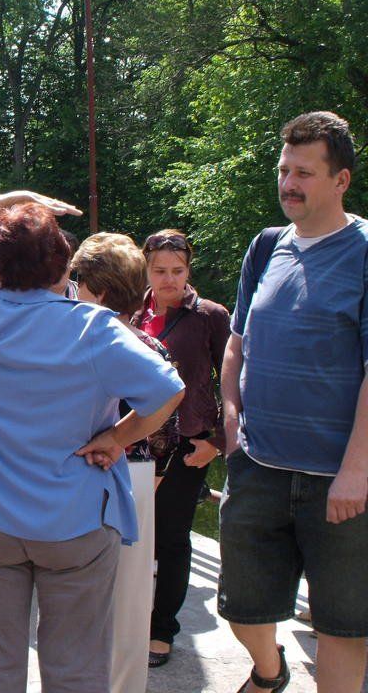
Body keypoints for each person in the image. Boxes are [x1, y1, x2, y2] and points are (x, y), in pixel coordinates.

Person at [0, 191, 185, 693]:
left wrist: (16, 199)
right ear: (63, 265)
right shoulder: (95, 328)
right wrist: (117, 437)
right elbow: (168, 390)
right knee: (76, 670)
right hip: (76, 522)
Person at [219, 111, 368, 693]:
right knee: (242, 608)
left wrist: (356, 471)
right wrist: (231, 419)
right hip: (258, 467)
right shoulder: (266, 247)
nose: (288, 183)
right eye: (284, 170)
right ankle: (270, 669)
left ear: (341, 180)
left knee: (342, 627)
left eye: (304, 172)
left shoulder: (363, 252)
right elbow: (236, 344)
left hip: (339, 482)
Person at [71, 232, 178, 693]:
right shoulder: (150, 344)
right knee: (130, 601)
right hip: (137, 476)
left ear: (98, 290)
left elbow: (169, 404)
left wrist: (115, 439)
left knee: (80, 601)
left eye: (78, 280)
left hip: (102, 472)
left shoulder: (86, 343)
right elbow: (168, 433)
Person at [133, 228, 230, 668]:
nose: (169, 279)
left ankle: (162, 629)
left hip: (188, 445)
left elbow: (235, 383)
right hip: (136, 442)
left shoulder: (209, 316)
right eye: (160, 271)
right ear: (146, 270)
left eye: (177, 270)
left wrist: (217, 442)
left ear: (189, 269)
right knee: (133, 536)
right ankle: (131, 617)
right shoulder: (133, 313)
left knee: (172, 539)